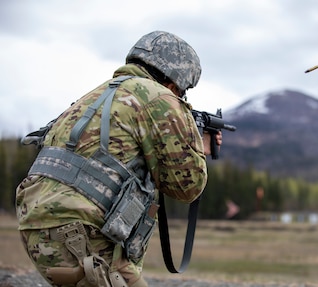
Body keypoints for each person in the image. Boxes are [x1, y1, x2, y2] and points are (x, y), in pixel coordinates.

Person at [15, 30, 222, 287]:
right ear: (174, 82)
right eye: (182, 91)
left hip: (34, 223)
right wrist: (197, 147)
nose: (180, 96)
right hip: (79, 232)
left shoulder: (94, 96)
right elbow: (187, 187)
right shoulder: (160, 98)